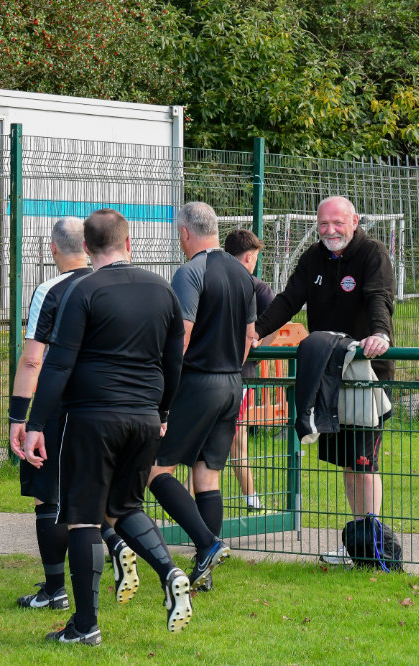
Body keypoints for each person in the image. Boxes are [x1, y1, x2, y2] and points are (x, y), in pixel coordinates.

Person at [24, 209, 191, 646]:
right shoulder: (163, 290)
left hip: (92, 418)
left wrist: (35, 423)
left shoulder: (84, 290)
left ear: (87, 247)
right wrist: (163, 413)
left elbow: (58, 364)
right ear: (128, 242)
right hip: (145, 418)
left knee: (82, 519)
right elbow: (174, 363)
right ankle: (169, 571)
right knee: (125, 507)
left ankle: (85, 625)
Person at [252, 196, 394, 566]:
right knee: (349, 463)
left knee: (364, 463)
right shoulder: (313, 257)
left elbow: (379, 297)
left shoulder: (372, 253)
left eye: (337, 223)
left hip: (365, 375)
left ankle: (373, 547)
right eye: (323, 224)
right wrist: (256, 331)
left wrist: (380, 334)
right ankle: (358, 545)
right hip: (328, 374)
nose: (330, 231)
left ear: (354, 221)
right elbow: (288, 300)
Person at [7, 217, 138, 612]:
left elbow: (33, 360)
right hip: (106, 406)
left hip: (58, 406)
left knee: (47, 496)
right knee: (88, 494)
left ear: (53, 249)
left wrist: (19, 417)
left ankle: (55, 589)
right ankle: (115, 543)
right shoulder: (111, 284)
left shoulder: (51, 290)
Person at [146, 202, 257, 591]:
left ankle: (208, 544)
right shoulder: (242, 273)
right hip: (233, 384)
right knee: (207, 476)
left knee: (155, 469)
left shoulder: (190, 272)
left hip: (198, 384)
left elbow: (182, 336)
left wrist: (164, 392)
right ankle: (204, 572)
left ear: (185, 233)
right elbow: (250, 336)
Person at [224, 229, 277, 512]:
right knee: (235, 439)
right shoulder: (257, 287)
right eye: (255, 256)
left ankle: (251, 499)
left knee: (214, 441)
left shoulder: (209, 280)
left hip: (203, 374)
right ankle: (252, 499)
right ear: (249, 256)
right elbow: (276, 323)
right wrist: (256, 346)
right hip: (240, 375)